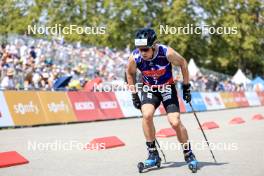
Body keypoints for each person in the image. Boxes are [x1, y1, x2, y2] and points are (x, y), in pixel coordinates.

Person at [126, 28, 197, 171]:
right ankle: (153, 154)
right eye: (139, 49)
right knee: (146, 115)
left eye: (145, 49)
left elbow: (183, 63)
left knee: (175, 122)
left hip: (167, 88)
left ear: (154, 46)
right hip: (149, 89)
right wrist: (134, 94)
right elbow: (129, 73)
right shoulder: (135, 57)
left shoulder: (166, 53)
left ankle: (188, 153)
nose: (142, 53)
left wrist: (186, 86)